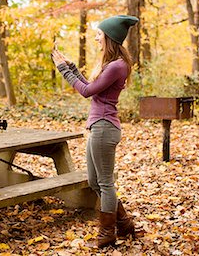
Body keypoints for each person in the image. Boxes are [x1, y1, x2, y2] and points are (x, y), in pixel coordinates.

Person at [51, 15, 138, 248]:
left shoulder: (117, 66)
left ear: (109, 37)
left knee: (106, 183)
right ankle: (125, 223)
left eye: (99, 34)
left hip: (104, 127)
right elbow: (91, 88)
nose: (96, 38)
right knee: (94, 181)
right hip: (97, 127)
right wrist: (70, 67)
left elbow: (86, 92)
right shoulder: (111, 65)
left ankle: (107, 233)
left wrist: (63, 70)